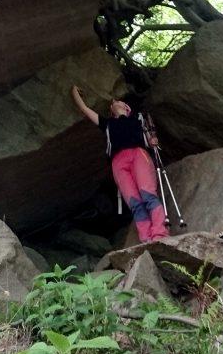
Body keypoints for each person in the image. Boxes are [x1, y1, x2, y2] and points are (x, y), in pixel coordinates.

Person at [70, 84, 169, 243]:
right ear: (111, 110)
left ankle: (160, 233)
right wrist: (74, 92)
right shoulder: (108, 124)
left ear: (127, 107)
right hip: (118, 162)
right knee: (135, 203)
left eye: (120, 101)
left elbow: (149, 136)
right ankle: (146, 238)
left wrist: (152, 141)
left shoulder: (138, 118)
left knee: (148, 194)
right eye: (114, 102)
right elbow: (84, 109)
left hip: (139, 154)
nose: (117, 102)